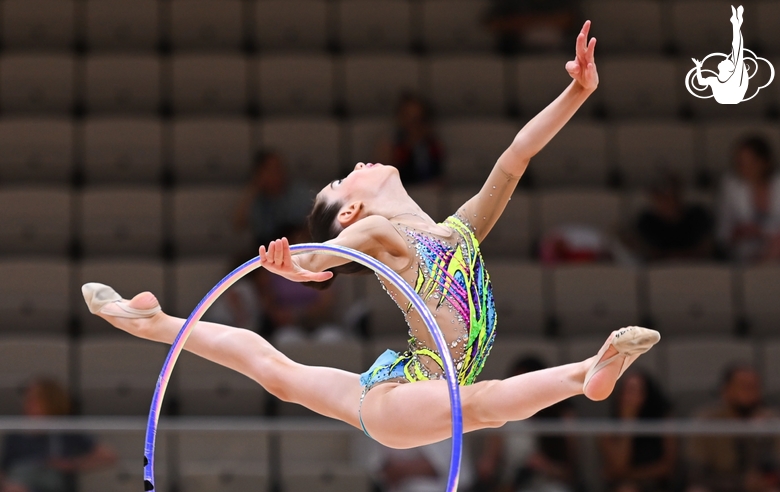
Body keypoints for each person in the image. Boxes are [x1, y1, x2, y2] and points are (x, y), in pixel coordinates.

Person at [80, 21, 660, 451]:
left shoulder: (458, 231)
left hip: (404, 386)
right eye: (341, 180)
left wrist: (577, 92)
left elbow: (517, 155)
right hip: (419, 393)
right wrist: (304, 264)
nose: (354, 165)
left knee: (276, 372)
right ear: (352, 208)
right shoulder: (385, 236)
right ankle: (586, 372)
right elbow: (352, 246)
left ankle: (155, 325)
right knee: (480, 406)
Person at [475, 357, 579, 492]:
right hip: (512, 486)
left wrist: (544, 466)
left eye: (526, 386)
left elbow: (570, 472)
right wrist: (487, 468)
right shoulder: (502, 419)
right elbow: (488, 465)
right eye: (515, 386)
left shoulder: (559, 418)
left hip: (550, 485)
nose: (520, 393)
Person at [0, 379, 116, 492]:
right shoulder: (15, 433)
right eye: (28, 399)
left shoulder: (66, 430)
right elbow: (5, 468)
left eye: (35, 400)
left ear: (50, 401)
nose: (28, 404)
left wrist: (71, 464)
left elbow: (107, 456)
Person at [686, 365, 780, 492]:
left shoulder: (771, 421)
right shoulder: (707, 421)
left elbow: (773, 465)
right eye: (744, 386)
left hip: (760, 486)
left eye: (754, 387)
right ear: (725, 390)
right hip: (718, 485)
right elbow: (695, 473)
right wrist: (740, 482)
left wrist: (760, 438)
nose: (750, 392)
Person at [599, 371, 677, 492]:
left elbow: (667, 467)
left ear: (647, 395)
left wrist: (631, 475)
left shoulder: (663, 422)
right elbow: (618, 467)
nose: (629, 397)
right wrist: (628, 424)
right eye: (625, 391)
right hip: (623, 486)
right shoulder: (608, 428)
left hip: (656, 485)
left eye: (634, 391)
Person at [716, 135, 780, 263]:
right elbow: (722, 233)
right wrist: (737, 233)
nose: (743, 169)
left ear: (764, 162)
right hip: (743, 258)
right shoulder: (730, 186)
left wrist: (762, 232)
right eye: (740, 164)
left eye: (749, 164)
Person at [233, 150, 315, 248]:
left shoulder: (299, 192)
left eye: (279, 168)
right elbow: (237, 225)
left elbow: (315, 220)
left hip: (296, 248)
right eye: (270, 169)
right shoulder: (255, 198)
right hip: (265, 250)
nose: (277, 173)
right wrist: (252, 190)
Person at [629, 172, 714, 262]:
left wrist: (682, 256)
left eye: (668, 196)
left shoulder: (697, 216)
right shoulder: (646, 222)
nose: (665, 202)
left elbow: (706, 248)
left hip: (695, 268)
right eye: (659, 197)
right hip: (659, 271)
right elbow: (647, 252)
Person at [374, 93, 445, 186]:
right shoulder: (389, 146)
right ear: (400, 118)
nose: (412, 124)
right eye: (408, 117)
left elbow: (441, 179)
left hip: (429, 194)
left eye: (417, 118)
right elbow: (380, 180)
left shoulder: (433, 145)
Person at [691, 6, 749, 105]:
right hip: (729, 97)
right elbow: (701, 82)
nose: (725, 59)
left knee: (737, 51)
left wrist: (698, 68)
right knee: (737, 52)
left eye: (727, 61)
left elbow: (701, 82)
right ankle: (736, 24)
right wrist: (698, 67)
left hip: (732, 96)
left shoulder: (725, 78)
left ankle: (736, 24)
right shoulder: (717, 79)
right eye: (728, 61)